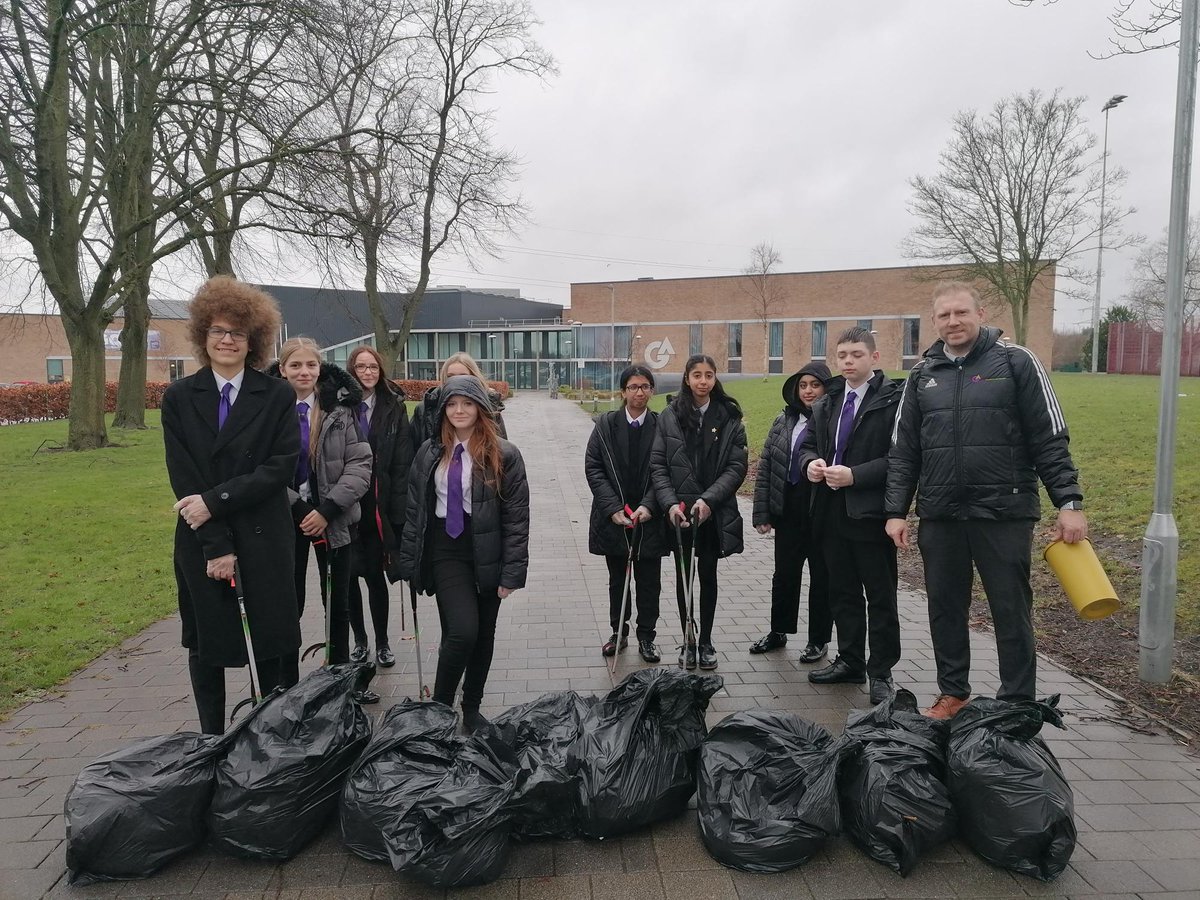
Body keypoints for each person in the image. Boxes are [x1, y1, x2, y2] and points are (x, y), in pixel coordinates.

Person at [885, 282, 1087, 719]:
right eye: (944, 316)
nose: (953, 322)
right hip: (941, 513)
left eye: (961, 313)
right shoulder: (923, 375)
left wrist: (1068, 501)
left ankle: (1017, 700)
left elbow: (1049, 437)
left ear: (981, 312)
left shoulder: (1017, 362)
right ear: (934, 321)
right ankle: (952, 693)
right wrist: (896, 511)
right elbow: (904, 450)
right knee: (944, 607)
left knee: (1010, 608)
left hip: (1004, 512)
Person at [163, 277, 301, 734]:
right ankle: (211, 742)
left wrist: (216, 501)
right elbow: (184, 477)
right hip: (203, 538)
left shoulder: (277, 394)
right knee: (207, 643)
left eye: (237, 333)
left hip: (265, 536)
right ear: (204, 336)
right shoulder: (179, 397)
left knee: (275, 642)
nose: (227, 340)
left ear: (253, 340)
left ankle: (278, 741)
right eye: (218, 331)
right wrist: (216, 543)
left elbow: (280, 468)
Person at [397, 374, 530, 733]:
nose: (459, 410)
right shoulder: (429, 452)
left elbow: (517, 518)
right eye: (452, 404)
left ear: (480, 409)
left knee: (484, 633)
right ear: (443, 409)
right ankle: (439, 710)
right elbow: (415, 510)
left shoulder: (505, 454)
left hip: (489, 549)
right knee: (462, 632)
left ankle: (471, 709)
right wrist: (408, 560)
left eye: (467, 403)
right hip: (446, 549)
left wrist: (512, 573)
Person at [799, 327, 903, 706]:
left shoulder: (892, 400)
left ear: (874, 358)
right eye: (842, 355)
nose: (847, 362)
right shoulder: (827, 402)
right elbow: (807, 444)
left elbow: (901, 458)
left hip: (871, 515)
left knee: (880, 595)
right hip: (829, 513)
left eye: (856, 354)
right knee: (841, 592)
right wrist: (811, 463)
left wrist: (856, 475)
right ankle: (851, 660)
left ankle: (881, 671)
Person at [272, 338, 373, 696]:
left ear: (320, 368)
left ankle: (340, 683)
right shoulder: (268, 410)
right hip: (284, 521)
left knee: (338, 601)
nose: (304, 372)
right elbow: (258, 468)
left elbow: (360, 463)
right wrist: (299, 508)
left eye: (310, 365)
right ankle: (285, 689)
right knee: (287, 602)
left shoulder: (341, 411)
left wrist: (327, 509)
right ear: (282, 369)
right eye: (295, 365)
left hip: (334, 518)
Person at [650, 354, 748, 670]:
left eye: (708, 375)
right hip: (679, 512)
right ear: (687, 379)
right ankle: (687, 640)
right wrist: (668, 504)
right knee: (684, 579)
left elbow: (736, 466)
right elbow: (658, 466)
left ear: (715, 378)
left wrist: (709, 500)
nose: (703, 381)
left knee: (707, 575)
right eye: (696, 375)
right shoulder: (669, 416)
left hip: (712, 512)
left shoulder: (729, 416)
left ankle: (705, 641)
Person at [585, 365, 668, 664]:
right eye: (633, 387)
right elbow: (594, 467)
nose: (639, 392)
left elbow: (665, 470)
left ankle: (647, 636)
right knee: (618, 578)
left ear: (652, 390)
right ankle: (618, 632)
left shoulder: (661, 426)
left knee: (649, 580)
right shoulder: (605, 425)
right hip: (615, 517)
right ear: (623, 391)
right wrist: (613, 508)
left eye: (645, 386)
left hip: (650, 515)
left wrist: (649, 505)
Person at [750, 361, 832, 662]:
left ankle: (819, 639)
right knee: (784, 575)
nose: (808, 391)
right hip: (788, 511)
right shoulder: (784, 421)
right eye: (803, 385)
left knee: (821, 577)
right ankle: (779, 630)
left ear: (826, 387)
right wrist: (762, 513)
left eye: (815, 385)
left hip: (821, 513)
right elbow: (767, 467)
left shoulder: (833, 419)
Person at [346, 346, 414, 669]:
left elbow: (403, 461)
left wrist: (397, 511)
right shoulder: (340, 404)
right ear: (352, 370)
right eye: (361, 367)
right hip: (346, 504)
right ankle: (359, 640)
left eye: (373, 367)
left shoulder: (393, 406)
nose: (367, 372)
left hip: (378, 505)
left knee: (375, 575)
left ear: (380, 370)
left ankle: (383, 642)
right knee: (348, 579)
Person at [410, 352, 507, 450]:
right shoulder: (426, 408)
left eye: (463, 376)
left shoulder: (489, 406)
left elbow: (501, 449)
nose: (456, 381)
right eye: (450, 376)